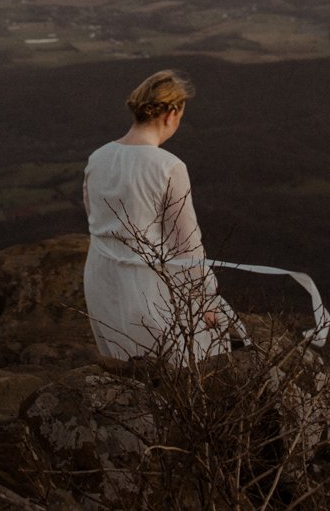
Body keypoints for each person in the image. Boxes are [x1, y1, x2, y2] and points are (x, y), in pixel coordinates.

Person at [81, 69, 237, 362]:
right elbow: (186, 243)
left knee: (121, 363)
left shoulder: (97, 157)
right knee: (179, 366)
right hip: (147, 282)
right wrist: (205, 298)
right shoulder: (168, 166)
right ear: (172, 113)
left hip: (100, 276)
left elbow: (95, 220)